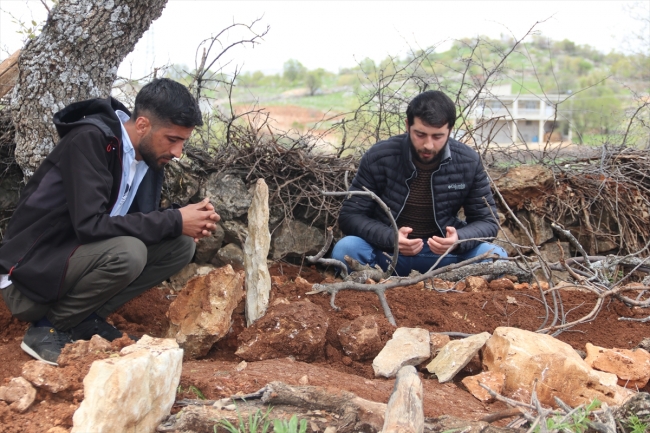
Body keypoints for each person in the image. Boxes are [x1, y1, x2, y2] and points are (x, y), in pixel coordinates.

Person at [0, 78, 219, 365]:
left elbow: (132, 222)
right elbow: (90, 225)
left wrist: (186, 220)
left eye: (182, 142)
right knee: (130, 253)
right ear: (142, 125)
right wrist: (174, 219)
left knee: (179, 245)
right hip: (29, 280)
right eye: (172, 139)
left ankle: (84, 320)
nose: (177, 152)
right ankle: (46, 329)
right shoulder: (91, 140)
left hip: (70, 265)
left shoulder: (150, 157)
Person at [332, 90, 507, 277]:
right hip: (387, 254)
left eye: (437, 136)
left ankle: (449, 287)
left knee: (496, 257)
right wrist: (391, 238)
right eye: (420, 134)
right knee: (346, 249)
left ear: (450, 130)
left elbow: (487, 221)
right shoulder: (379, 157)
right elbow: (350, 215)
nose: (428, 145)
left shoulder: (468, 161)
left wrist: (459, 240)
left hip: (444, 258)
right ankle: (377, 281)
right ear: (408, 126)